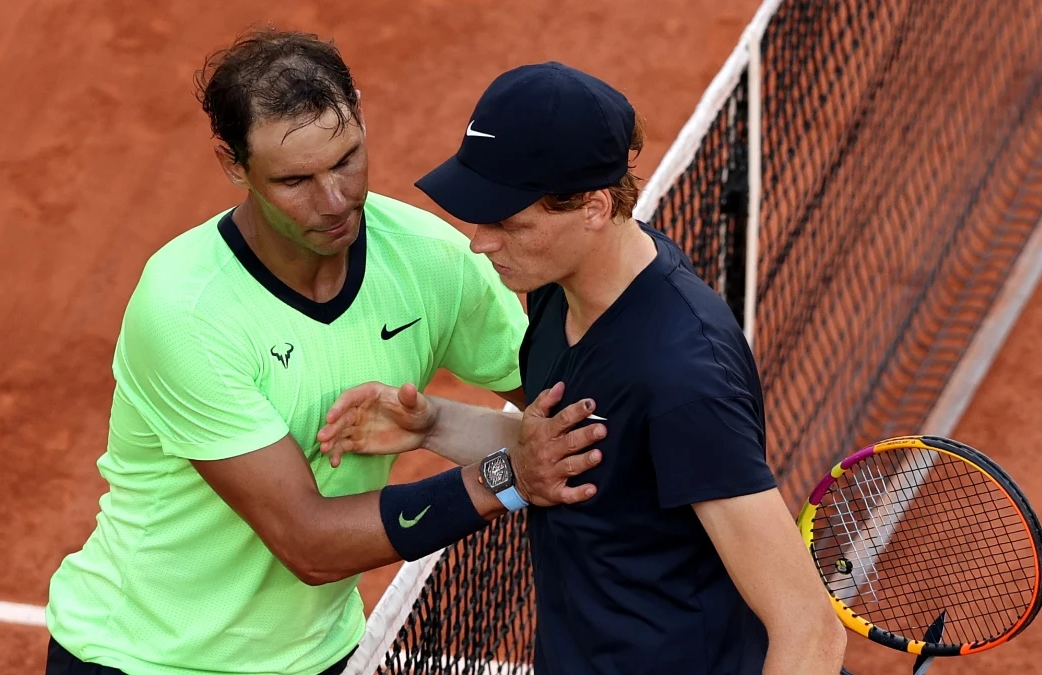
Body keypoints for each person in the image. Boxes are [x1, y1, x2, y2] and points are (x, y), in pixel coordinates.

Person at [43, 32, 604, 675]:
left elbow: (573, 411)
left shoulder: (431, 262)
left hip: (320, 657)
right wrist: (505, 478)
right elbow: (307, 542)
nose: (336, 201)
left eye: (346, 159)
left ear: (361, 114)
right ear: (232, 164)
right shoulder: (187, 311)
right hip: (143, 659)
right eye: (295, 180)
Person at [317, 62, 848, 674]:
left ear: (594, 207)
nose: (480, 243)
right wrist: (431, 425)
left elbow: (807, 628)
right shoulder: (558, 288)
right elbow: (578, 454)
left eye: (508, 223)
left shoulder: (684, 376)